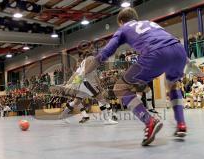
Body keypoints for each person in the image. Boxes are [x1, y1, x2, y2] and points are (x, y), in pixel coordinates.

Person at [85, 7, 188, 146]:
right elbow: (167, 39)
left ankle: (149, 121)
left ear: (121, 21)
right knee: (173, 85)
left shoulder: (124, 28)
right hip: (179, 50)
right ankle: (181, 124)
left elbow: (107, 51)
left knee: (119, 88)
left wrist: (86, 71)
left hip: (156, 53)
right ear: (135, 18)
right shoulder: (150, 23)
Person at [53, 56, 118, 125]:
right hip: (86, 83)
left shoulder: (85, 63)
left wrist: (69, 84)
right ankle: (107, 119)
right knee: (100, 99)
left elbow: (76, 75)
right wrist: (74, 83)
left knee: (76, 102)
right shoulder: (91, 59)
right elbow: (85, 73)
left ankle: (63, 115)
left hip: (82, 84)